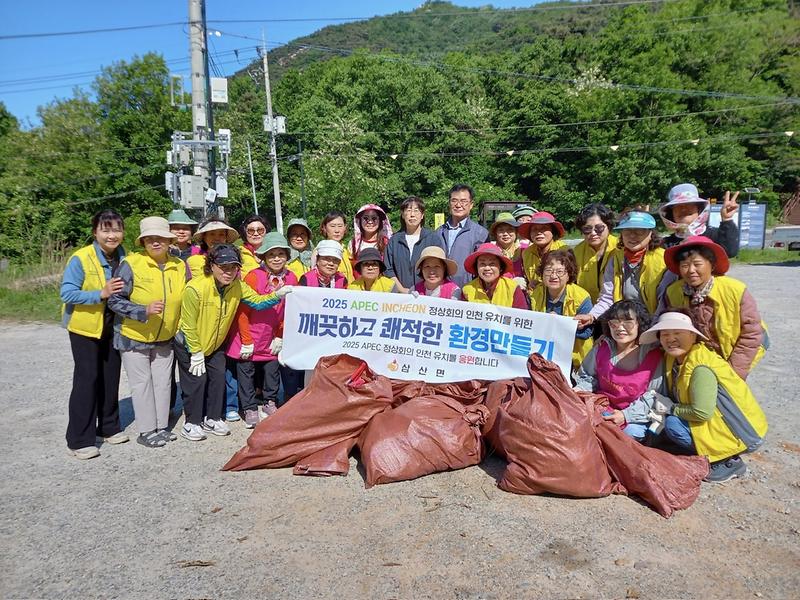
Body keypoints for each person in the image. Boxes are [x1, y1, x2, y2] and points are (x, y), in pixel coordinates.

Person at [174, 244, 292, 441]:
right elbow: (188, 324)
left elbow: (257, 301)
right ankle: (192, 422)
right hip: (190, 343)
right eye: (223, 266)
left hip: (215, 343)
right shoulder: (195, 288)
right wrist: (195, 352)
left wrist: (276, 296)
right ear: (211, 265)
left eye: (233, 267)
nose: (228, 272)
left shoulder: (236, 285)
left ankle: (212, 418)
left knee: (217, 379)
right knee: (196, 381)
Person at [640, 310, 768, 482]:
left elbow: (701, 412)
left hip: (742, 433)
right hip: (716, 424)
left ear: (693, 335)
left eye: (678, 333)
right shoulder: (675, 359)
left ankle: (725, 461)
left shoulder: (701, 367)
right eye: (665, 334)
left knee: (672, 424)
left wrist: (671, 408)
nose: (671, 339)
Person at [107, 217, 186, 448]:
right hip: (134, 337)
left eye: (159, 238)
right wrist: (143, 310)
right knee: (142, 384)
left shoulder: (179, 266)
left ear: (168, 240)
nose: (155, 242)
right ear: (143, 242)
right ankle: (146, 430)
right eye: (149, 238)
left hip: (166, 337)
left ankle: (162, 427)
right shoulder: (130, 264)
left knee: (163, 384)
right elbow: (114, 300)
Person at [60, 209, 129, 459]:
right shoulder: (81, 258)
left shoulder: (125, 257)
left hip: (114, 327)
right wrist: (100, 293)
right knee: (87, 380)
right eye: (106, 229)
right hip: (84, 328)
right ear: (95, 232)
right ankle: (79, 439)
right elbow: (67, 293)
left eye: (116, 229)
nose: (112, 235)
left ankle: (108, 427)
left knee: (111, 378)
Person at [662, 236, 767, 380]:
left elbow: (752, 333)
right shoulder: (673, 292)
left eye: (697, 264)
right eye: (684, 265)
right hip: (696, 363)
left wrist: (733, 373)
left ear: (711, 264)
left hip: (732, 361)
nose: (691, 270)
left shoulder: (735, 290)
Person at [226, 233, 297, 428]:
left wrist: (280, 335)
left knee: (272, 372)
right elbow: (242, 311)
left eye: (280, 254)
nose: (276, 258)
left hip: (272, 335)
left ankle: (269, 402)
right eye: (271, 254)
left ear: (286, 256)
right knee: (246, 373)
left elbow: (290, 311)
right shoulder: (253, 276)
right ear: (263, 256)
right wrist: (247, 340)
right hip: (249, 333)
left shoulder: (291, 277)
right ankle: (249, 407)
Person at [574, 300, 665, 441]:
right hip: (602, 407)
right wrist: (579, 390)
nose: (620, 328)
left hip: (636, 417)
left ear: (640, 324)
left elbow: (655, 395)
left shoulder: (653, 356)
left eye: (628, 322)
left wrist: (625, 415)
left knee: (627, 433)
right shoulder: (602, 348)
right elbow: (588, 377)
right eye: (614, 323)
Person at [577, 210, 670, 330]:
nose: (632, 236)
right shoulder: (616, 259)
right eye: (627, 231)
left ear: (651, 233)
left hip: (655, 325)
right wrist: (591, 316)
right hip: (624, 324)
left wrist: (652, 330)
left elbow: (665, 303)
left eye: (640, 231)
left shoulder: (664, 260)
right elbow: (607, 297)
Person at [529, 249, 593, 370]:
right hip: (543, 357)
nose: (553, 276)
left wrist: (561, 323)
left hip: (575, 361)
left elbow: (586, 333)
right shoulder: (534, 294)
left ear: (569, 274)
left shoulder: (581, 297)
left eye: (560, 271)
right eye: (548, 270)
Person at [659, 183, 739, 257]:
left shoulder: (715, 235)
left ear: (699, 208)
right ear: (671, 213)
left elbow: (730, 252)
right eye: (677, 205)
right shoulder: (665, 244)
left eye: (689, 204)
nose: (683, 208)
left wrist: (727, 219)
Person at [384, 196, 445, 292]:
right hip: (400, 296)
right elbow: (388, 269)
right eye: (408, 210)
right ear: (403, 215)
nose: (412, 215)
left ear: (422, 215)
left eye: (416, 210)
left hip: (427, 294)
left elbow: (440, 267)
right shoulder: (394, 240)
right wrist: (403, 290)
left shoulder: (433, 239)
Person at [436, 184, 489, 287]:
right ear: (449, 203)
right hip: (441, 291)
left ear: (471, 204)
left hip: (468, 290)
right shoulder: (439, 232)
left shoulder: (481, 233)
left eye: (463, 201)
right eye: (454, 200)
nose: (458, 205)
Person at [573, 203, 618, 303]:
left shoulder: (620, 248)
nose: (593, 233)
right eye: (587, 229)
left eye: (599, 228)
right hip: (587, 308)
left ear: (608, 226)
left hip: (616, 308)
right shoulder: (577, 252)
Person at [461, 243, 529, 309]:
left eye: (492, 264)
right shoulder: (467, 290)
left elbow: (521, 317)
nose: (487, 268)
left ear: (500, 267)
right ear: (476, 267)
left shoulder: (512, 288)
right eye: (482, 264)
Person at [519, 211, 567, 291]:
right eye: (535, 229)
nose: (539, 233)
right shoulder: (526, 253)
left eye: (544, 228)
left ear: (553, 231)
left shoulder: (564, 250)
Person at [317, 210, 354, 283]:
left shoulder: (346, 250)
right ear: (324, 228)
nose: (337, 230)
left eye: (340, 226)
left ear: (345, 227)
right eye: (332, 226)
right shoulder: (319, 251)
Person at [489, 212, 525, 277]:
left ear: (516, 232)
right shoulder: (490, 251)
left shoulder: (524, 250)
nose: (505, 233)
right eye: (501, 230)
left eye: (510, 230)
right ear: (495, 233)